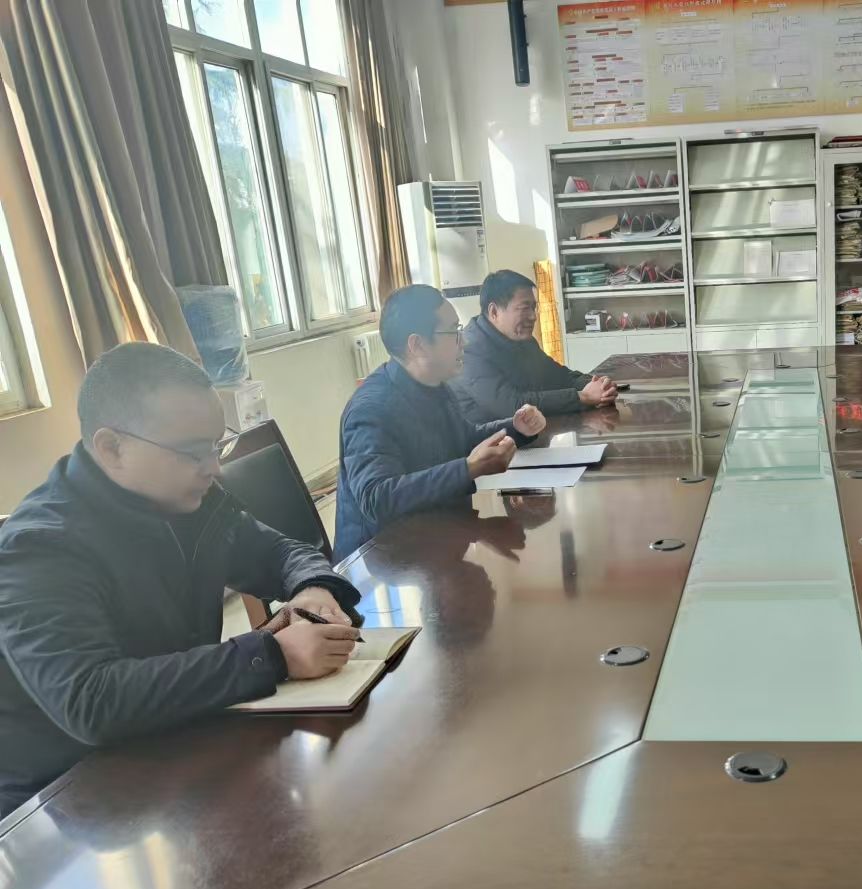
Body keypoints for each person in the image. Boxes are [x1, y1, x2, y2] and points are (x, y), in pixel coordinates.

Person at [0, 343, 361, 816]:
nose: (214, 467)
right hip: (70, 797)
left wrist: (313, 588)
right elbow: (91, 700)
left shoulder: (186, 500)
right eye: (192, 452)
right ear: (112, 448)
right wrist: (273, 655)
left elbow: (279, 552)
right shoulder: (40, 548)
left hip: (176, 736)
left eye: (216, 445)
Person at [335, 284, 548, 561]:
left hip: (434, 537)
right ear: (417, 345)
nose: (464, 342)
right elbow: (376, 498)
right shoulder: (371, 409)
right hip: (383, 562)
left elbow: (462, 438)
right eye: (453, 332)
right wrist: (467, 469)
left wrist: (516, 429)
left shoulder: (435, 386)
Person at [454, 269, 618, 422]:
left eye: (534, 308)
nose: (533, 317)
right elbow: (511, 405)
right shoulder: (469, 350)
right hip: (490, 440)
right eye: (525, 308)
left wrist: (597, 384)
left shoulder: (522, 340)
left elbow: (557, 376)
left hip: (529, 432)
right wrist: (583, 397)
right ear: (494, 312)